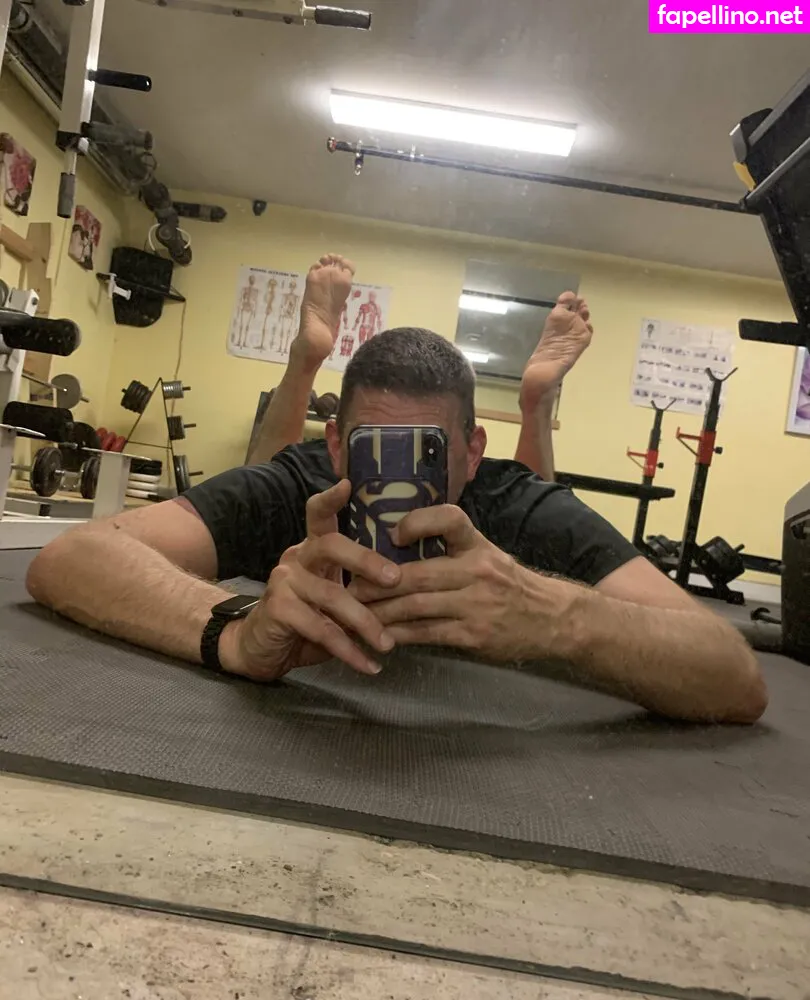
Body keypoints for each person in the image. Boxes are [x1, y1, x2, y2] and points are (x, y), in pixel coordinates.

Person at [26, 255, 767, 725]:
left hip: (514, 505)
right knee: (268, 468)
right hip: (301, 477)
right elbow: (73, 556)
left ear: (472, 452)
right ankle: (306, 361)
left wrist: (559, 616)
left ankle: (536, 402)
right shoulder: (306, 485)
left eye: (429, 452)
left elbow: (734, 673)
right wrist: (236, 632)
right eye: (373, 449)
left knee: (533, 510)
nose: (397, 482)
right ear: (339, 446)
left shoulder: (516, 503)